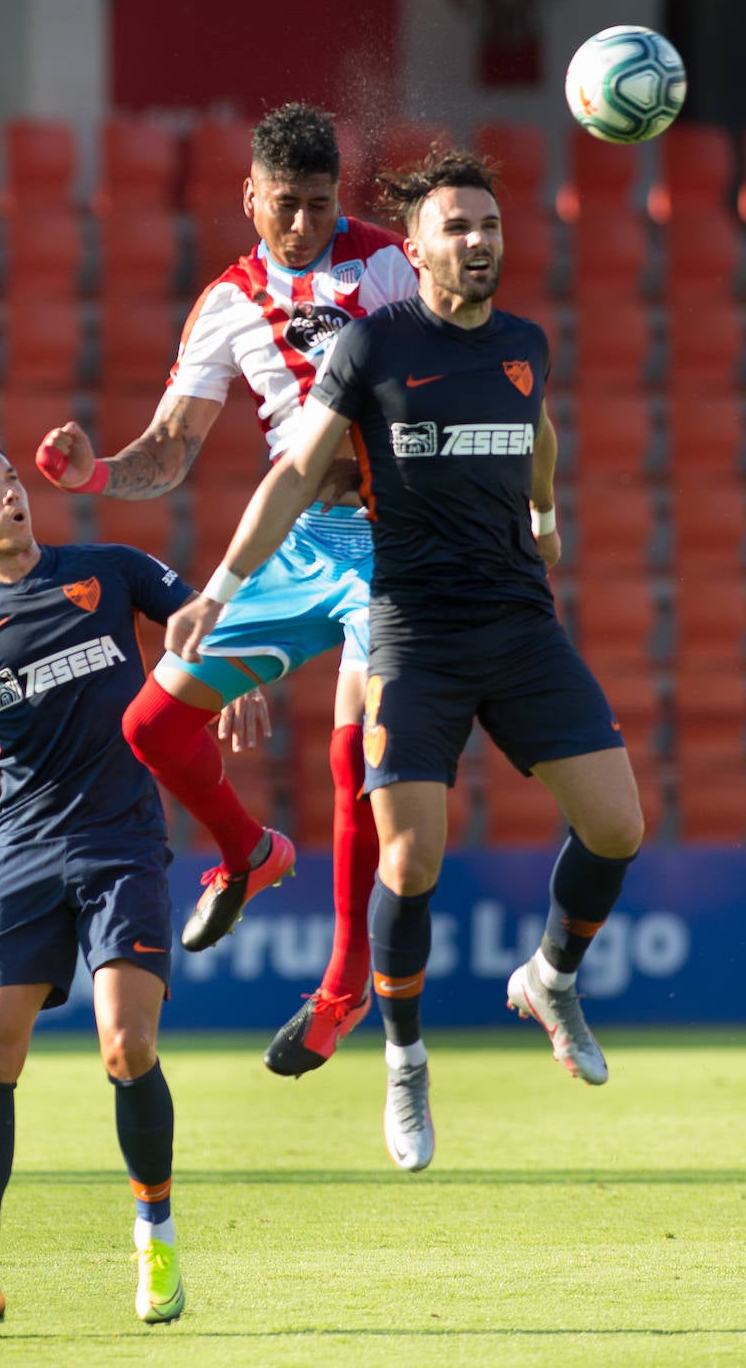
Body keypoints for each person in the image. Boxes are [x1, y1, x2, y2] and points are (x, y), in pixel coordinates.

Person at [162, 150, 645, 1173]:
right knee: (409, 861)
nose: (477, 242)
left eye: (488, 226)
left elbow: (539, 434)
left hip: (516, 617)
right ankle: (404, 1062)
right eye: (455, 228)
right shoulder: (372, 347)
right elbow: (295, 473)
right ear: (412, 248)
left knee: (616, 825)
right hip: (410, 628)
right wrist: (218, 592)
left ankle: (549, 979)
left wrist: (545, 517)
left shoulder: (524, 345)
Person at [36, 102, 420, 1079]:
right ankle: (248, 850)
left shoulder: (384, 265)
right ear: (249, 196)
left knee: (364, 767)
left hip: (397, 540)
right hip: (293, 547)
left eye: (319, 205)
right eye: (284, 205)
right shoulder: (225, 302)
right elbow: (167, 452)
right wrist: (90, 477)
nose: (302, 225)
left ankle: (341, 992)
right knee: (152, 727)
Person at [0, 434, 196, 1338]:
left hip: (122, 841)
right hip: (24, 850)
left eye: (10, 479)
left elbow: (203, 613)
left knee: (127, 1046)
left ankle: (156, 1238)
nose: (9, 494)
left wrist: (228, 673)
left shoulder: (109, 568)